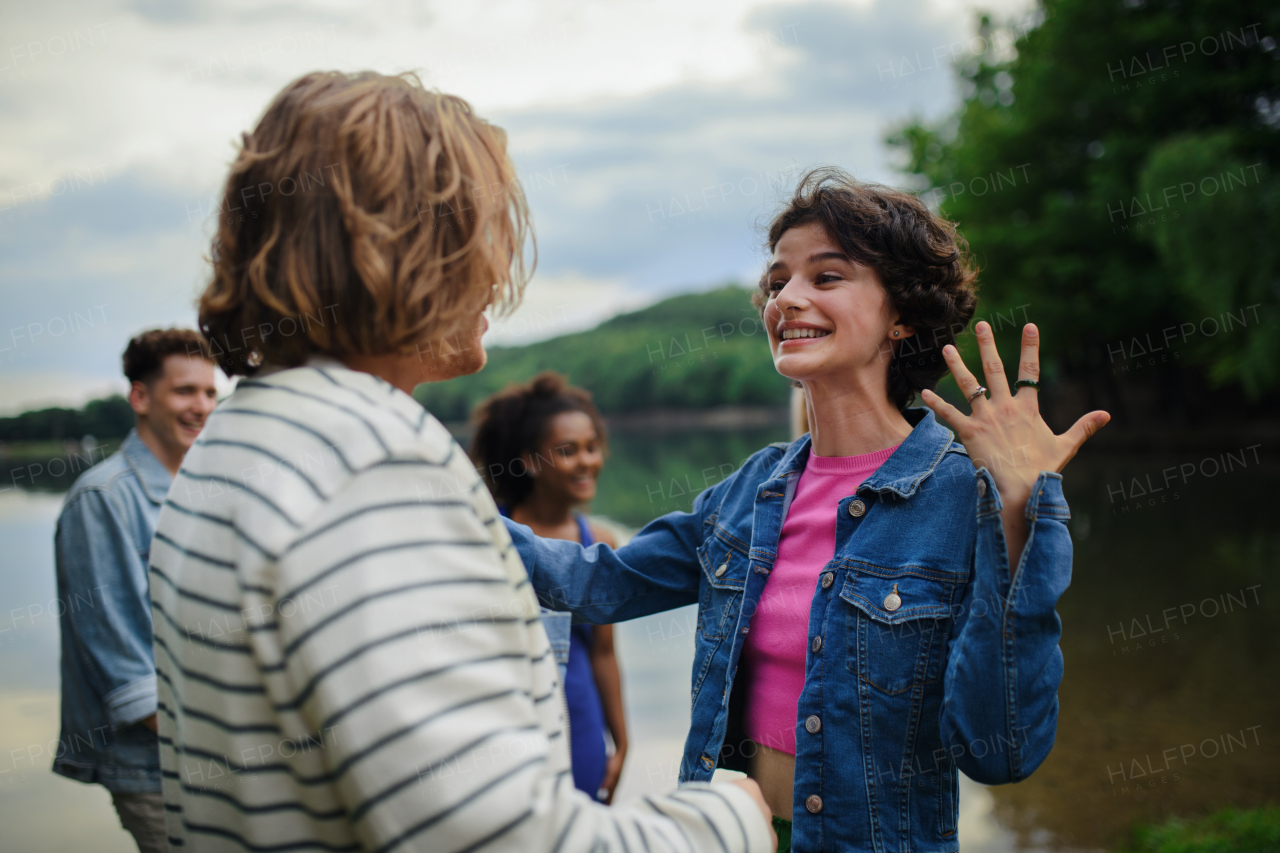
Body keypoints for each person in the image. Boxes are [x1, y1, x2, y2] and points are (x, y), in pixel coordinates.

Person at [150, 70, 772, 853]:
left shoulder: (233, 443)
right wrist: (729, 819)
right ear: (400, 243)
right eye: (483, 223)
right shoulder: (372, 469)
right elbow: (502, 838)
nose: (503, 258)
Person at [508, 167, 1111, 852]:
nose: (786, 298)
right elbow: (593, 583)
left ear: (903, 313)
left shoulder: (963, 496)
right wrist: (440, 491)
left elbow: (1000, 752)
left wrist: (1019, 506)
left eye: (826, 277)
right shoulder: (748, 492)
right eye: (777, 281)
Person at [53, 328, 218, 853]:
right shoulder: (102, 499)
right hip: (159, 768)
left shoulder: (206, 491)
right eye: (185, 391)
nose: (202, 406)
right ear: (140, 397)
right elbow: (124, 665)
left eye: (211, 393)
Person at [469, 372, 628, 804]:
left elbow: (603, 651)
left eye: (591, 447)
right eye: (567, 450)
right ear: (530, 461)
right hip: (504, 723)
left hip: (580, 723)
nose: (586, 461)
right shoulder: (489, 534)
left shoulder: (599, 541)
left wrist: (622, 741)